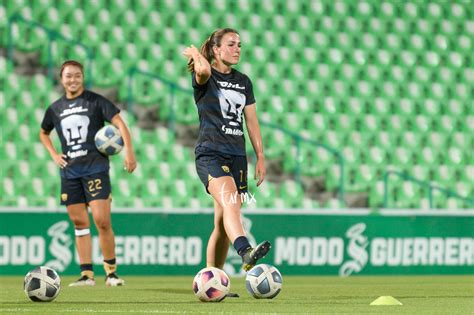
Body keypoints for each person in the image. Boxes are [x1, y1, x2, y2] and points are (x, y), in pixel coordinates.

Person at [39, 60, 137, 287]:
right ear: (61, 79)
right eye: (68, 76)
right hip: (70, 171)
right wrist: (54, 154)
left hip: (95, 168)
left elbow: (120, 124)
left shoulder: (95, 101)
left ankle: (111, 272)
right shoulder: (55, 108)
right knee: (79, 222)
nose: (72, 80)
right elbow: (43, 133)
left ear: (82, 77)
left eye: (77, 76)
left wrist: (128, 153)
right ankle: (86, 275)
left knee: (102, 220)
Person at [182, 28, 271, 276]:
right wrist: (194, 54)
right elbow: (202, 70)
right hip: (211, 153)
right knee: (231, 202)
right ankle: (245, 250)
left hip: (237, 156)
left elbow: (251, 121)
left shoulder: (244, 81)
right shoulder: (206, 78)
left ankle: (213, 279)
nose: (237, 49)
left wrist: (260, 156)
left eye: (240, 45)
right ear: (216, 49)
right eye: (231, 44)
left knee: (222, 224)